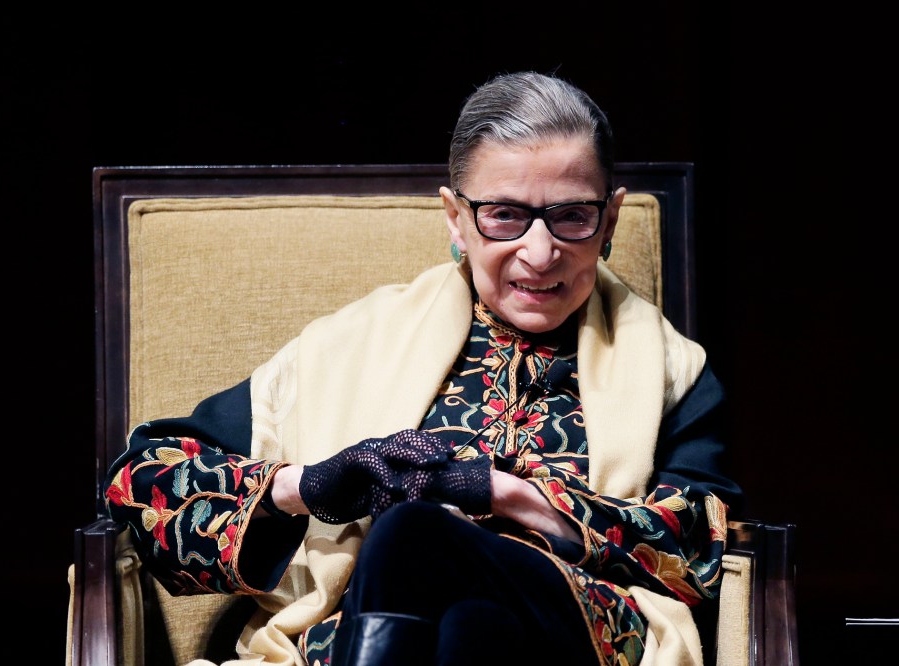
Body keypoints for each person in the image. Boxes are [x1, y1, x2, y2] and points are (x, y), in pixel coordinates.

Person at [104, 70, 742, 666]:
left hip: (580, 633)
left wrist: (506, 495)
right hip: (403, 635)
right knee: (473, 629)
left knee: (415, 533)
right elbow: (143, 481)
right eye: (505, 215)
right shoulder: (350, 344)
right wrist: (306, 486)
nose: (541, 252)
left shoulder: (671, 368)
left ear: (611, 218)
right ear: (456, 218)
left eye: (573, 215)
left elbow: (700, 549)